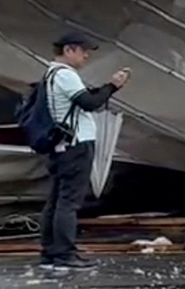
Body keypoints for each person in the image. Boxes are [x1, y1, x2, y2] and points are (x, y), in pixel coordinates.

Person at [38, 32, 129, 273]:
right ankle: (64, 254)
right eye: (83, 50)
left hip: (61, 145)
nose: (86, 55)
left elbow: (85, 98)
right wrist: (112, 86)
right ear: (69, 50)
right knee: (68, 201)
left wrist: (105, 89)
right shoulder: (66, 75)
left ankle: (50, 251)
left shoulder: (51, 74)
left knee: (56, 200)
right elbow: (89, 103)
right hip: (76, 144)